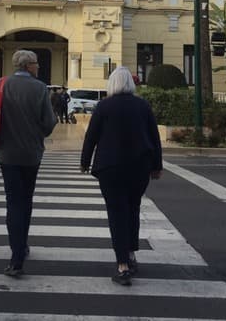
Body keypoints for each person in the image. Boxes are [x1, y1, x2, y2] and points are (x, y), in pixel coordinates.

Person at [80, 66, 162, 286]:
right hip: (139, 167)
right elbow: (154, 138)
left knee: (116, 213)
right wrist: (157, 166)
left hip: (110, 168)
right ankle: (131, 254)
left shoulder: (104, 106)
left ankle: (122, 265)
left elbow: (92, 137)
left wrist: (85, 162)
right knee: (132, 208)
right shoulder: (142, 105)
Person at [0, 49, 57, 277]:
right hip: (31, 155)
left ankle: (16, 254)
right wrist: (36, 132)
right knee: (26, 200)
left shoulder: (1, 85)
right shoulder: (40, 88)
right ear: (29, 65)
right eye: (37, 64)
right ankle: (22, 247)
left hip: (7, 154)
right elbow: (50, 123)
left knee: (13, 203)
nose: (38, 67)